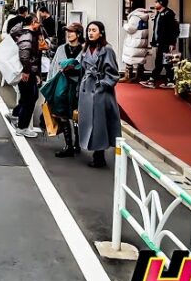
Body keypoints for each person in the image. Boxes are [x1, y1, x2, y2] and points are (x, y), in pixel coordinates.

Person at [76, 21, 122, 168]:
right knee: (88, 121)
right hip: (86, 89)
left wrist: (102, 85)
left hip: (100, 92)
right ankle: (95, 152)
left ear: (101, 32)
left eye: (94, 30)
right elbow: (82, 69)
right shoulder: (86, 49)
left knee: (99, 123)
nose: (90, 33)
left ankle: (99, 154)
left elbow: (113, 73)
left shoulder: (107, 50)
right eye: (89, 30)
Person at [46, 23, 85, 158]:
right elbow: (53, 68)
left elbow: (85, 69)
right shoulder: (61, 48)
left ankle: (77, 144)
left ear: (78, 34)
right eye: (67, 31)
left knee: (76, 116)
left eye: (72, 32)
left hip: (77, 87)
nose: (69, 34)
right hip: (61, 86)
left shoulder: (84, 51)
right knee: (62, 115)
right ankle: (68, 145)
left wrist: (75, 69)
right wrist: (49, 84)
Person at [11, 14, 43, 138]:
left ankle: (16, 115)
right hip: (27, 72)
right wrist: (27, 71)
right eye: (38, 22)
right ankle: (22, 127)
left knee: (27, 97)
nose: (39, 24)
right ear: (33, 22)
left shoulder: (26, 34)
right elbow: (24, 55)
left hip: (29, 71)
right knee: (30, 98)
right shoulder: (27, 35)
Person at [142, 0, 179, 89]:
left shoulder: (169, 14)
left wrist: (172, 43)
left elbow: (173, 30)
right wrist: (154, 41)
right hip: (160, 42)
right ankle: (169, 81)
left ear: (161, 3)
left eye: (156, 2)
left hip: (165, 42)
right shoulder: (159, 13)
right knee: (165, 62)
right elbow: (157, 30)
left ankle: (153, 80)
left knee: (161, 62)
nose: (155, 3)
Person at [121, 6, 151, 83]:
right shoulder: (144, 15)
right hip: (141, 40)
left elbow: (130, 29)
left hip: (134, 40)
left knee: (129, 57)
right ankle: (139, 76)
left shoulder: (135, 16)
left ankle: (127, 76)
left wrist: (124, 24)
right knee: (140, 59)